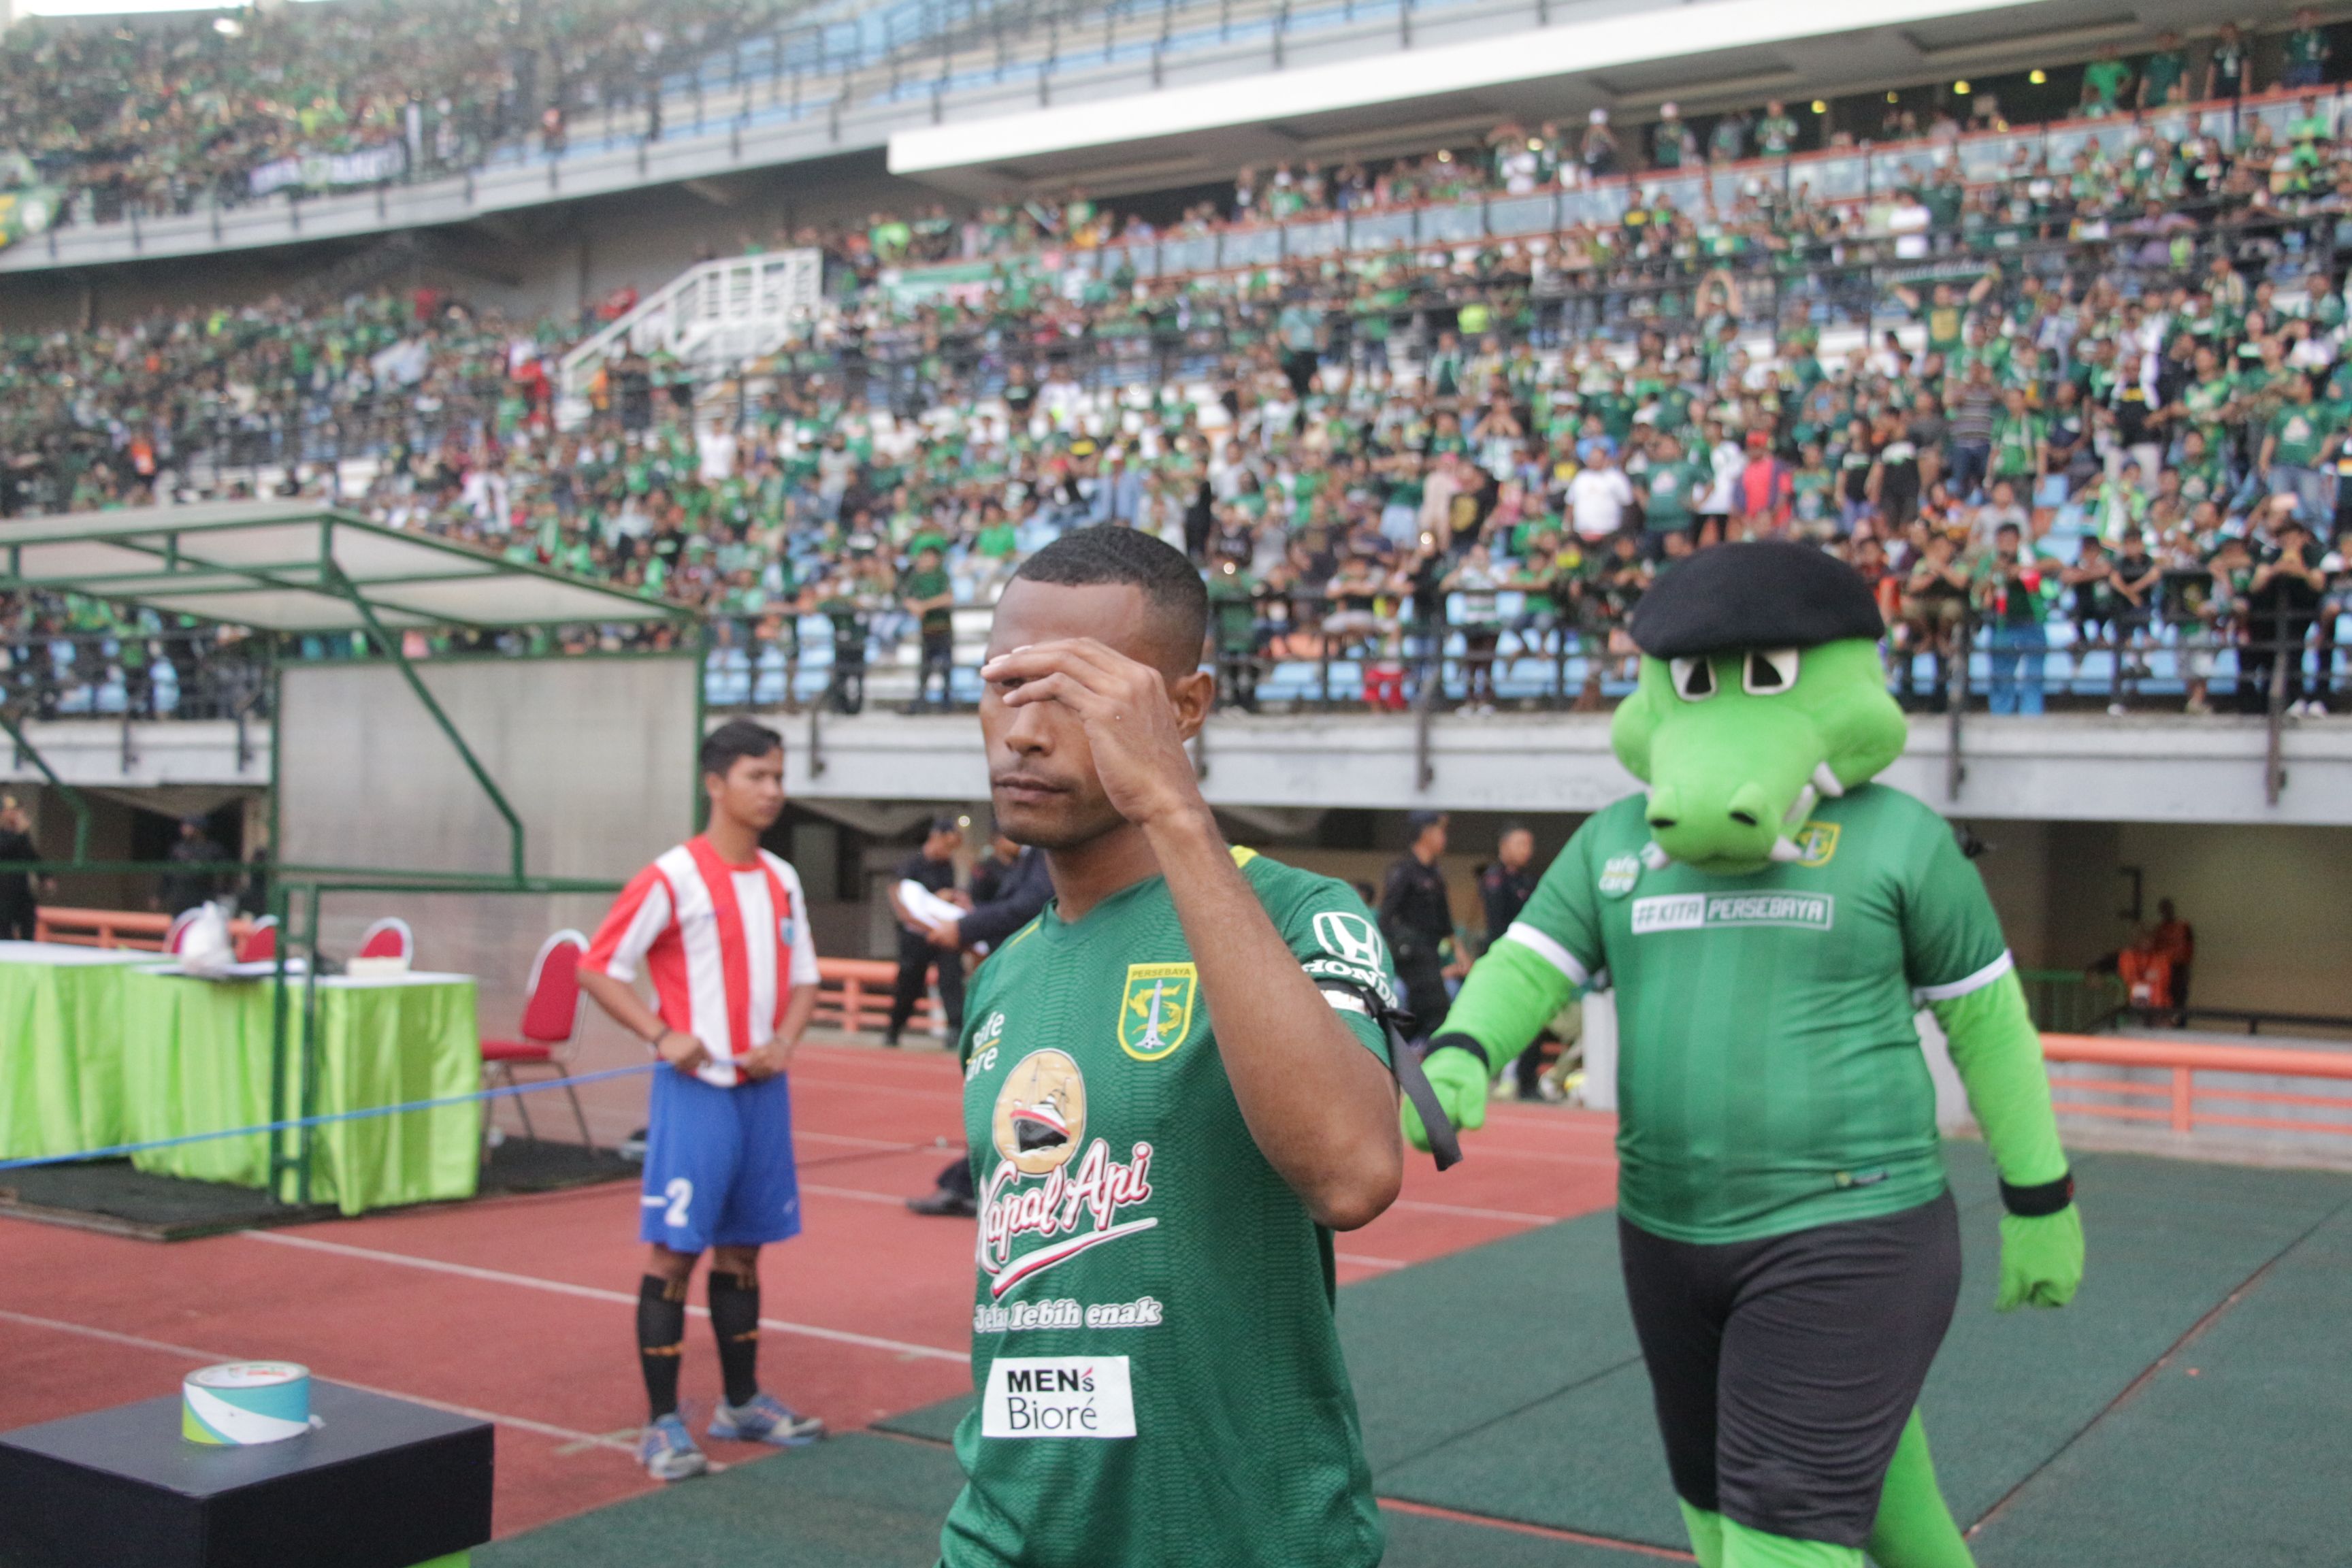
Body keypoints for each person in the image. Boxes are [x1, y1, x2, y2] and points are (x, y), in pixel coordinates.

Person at [1407, 542, 2082, 1568]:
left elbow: (1989, 1025)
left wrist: (2040, 1195)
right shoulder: (1611, 843)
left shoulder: (1904, 839)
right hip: (1665, 1231)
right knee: (1742, 1503)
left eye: (1765, 673)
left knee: (1783, 1527)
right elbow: (1524, 966)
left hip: (1852, 1227)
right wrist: (1460, 1051)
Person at [936, 526, 1405, 1568]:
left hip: (1245, 1539)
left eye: (1077, 693)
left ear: (1182, 710)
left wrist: (1172, 806)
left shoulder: (1299, 912)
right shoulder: (1004, 974)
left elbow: (1355, 1175)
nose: (1023, 730)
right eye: (1007, 685)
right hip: (1004, 1538)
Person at [577, 718, 827, 1484]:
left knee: (744, 1247)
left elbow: (806, 979)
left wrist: (783, 1040)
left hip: (763, 1090)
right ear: (715, 783)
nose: (774, 791)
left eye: (780, 777)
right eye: (759, 776)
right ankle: (660, 1425)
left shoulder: (782, 878)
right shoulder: (672, 877)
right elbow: (598, 967)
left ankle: (741, 1402)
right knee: (675, 1252)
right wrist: (661, 1033)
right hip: (696, 1094)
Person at [904, 837, 1058, 1218]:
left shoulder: (1047, 851)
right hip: (1022, 980)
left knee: (1016, 1093)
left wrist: (966, 926)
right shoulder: (1019, 861)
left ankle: (972, 1184)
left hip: (1041, 986)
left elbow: (1029, 908)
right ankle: (977, 1183)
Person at [885, 816, 967, 1047]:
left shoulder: (947, 866)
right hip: (915, 935)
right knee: (910, 982)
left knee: (951, 977)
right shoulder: (912, 864)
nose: (950, 851)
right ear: (935, 838)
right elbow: (900, 900)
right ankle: (894, 1028)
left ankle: (955, 1029)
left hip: (942, 933)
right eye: (948, 845)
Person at [1478, 825, 1542, 1098]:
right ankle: (1489, 1076)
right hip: (1504, 961)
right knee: (1496, 1021)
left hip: (1529, 961)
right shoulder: (1494, 880)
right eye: (1519, 843)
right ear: (1504, 847)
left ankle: (1528, 1081)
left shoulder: (1529, 882)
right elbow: (1497, 926)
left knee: (1533, 1022)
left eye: (1529, 844)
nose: (1526, 850)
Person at [1379, 809, 1456, 1037]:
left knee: (1437, 1011)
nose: (1444, 838)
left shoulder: (1435, 874)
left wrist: (1458, 951)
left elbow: (1445, 922)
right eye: (1440, 831)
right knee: (1429, 1011)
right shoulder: (1404, 872)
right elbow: (1387, 917)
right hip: (1411, 955)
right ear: (1426, 833)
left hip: (1431, 954)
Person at [157, 815, 231, 916]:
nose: (184, 829)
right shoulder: (178, 849)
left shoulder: (214, 850)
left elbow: (226, 874)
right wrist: (160, 895)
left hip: (204, 898)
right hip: (180, 899)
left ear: (198, 829)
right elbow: (167, 874)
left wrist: (221, 893)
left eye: (188, 826)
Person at [0, 796, 41, 941]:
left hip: (20, 889)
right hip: (3, 892)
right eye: (10, 812)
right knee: (4, 931)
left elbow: (31, 856)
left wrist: (45, 876)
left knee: (28, 925)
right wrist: (20, 833)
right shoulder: (12, 834)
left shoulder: (20, 835)